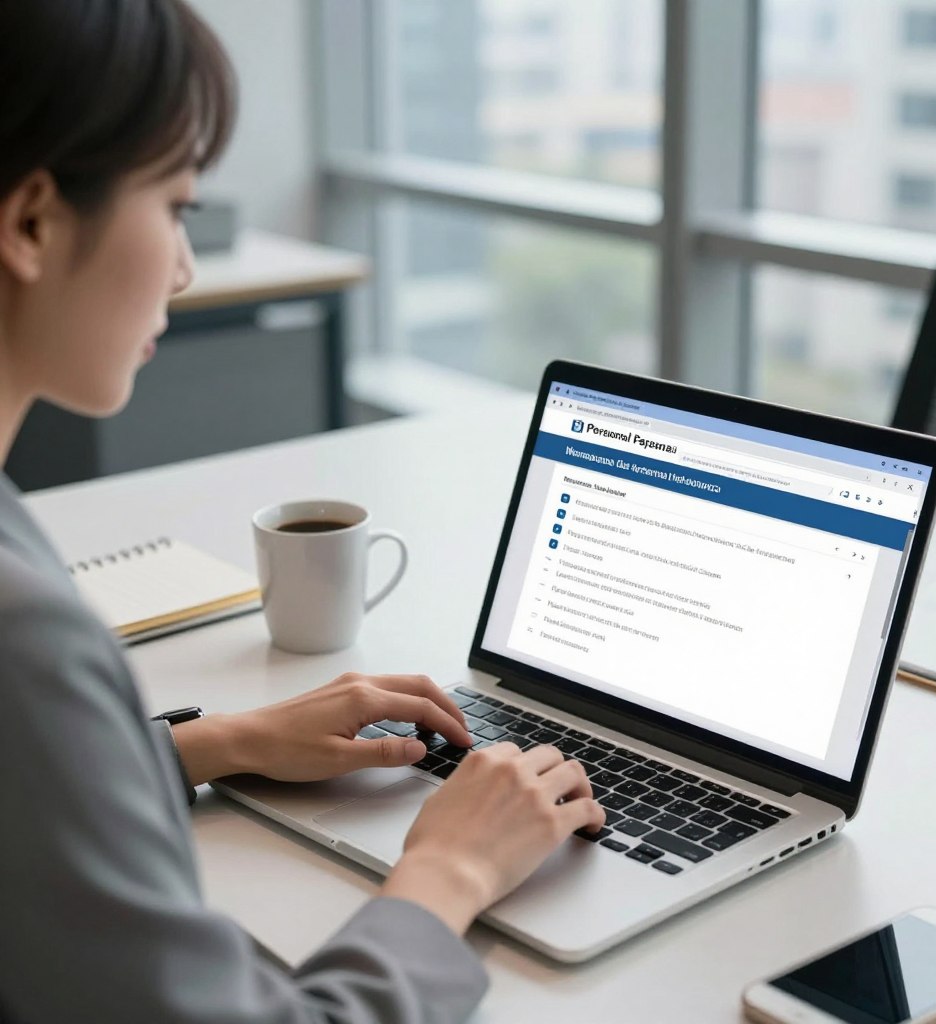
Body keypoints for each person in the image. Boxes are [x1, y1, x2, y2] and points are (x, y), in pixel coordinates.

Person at [0, 3, 605, 1021]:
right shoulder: (23, 639)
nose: (186, 266)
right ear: (32, 222)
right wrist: (450, 871)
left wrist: (212, 742)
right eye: (178, 205)